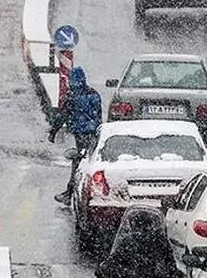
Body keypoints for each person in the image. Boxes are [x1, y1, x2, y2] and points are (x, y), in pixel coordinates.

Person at [48, 66, 102, 205]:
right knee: (92, 161)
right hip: (94, 134)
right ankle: (91, 191)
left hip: (80, 134)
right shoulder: (94, 94)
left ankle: (70, 193)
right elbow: (98, 116)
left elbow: (63, 115)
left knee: (78, 163)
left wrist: (53, 132)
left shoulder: (72, 96)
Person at [95, 205, 182, 278]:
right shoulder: (161, 241)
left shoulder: (128, 242)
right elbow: (171, 267)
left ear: (133, 225)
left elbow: (110, 264)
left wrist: (103, 269)